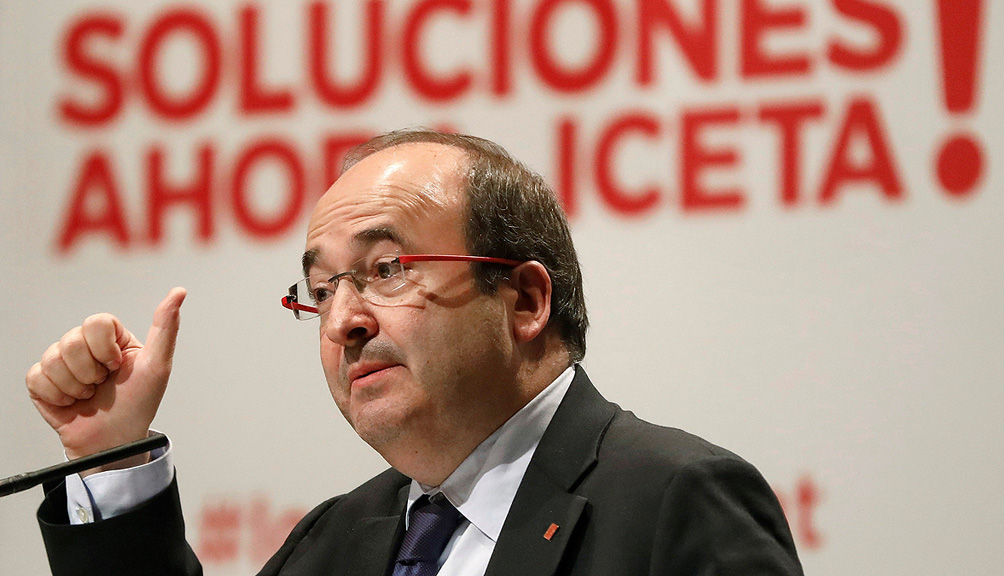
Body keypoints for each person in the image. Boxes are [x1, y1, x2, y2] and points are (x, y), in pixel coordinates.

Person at [26, 129, 803, 576]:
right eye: (322, 289)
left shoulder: (676, 505)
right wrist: (111, 458)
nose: (343, 320)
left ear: (525, 301)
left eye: (386, 269)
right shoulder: (329, 547)